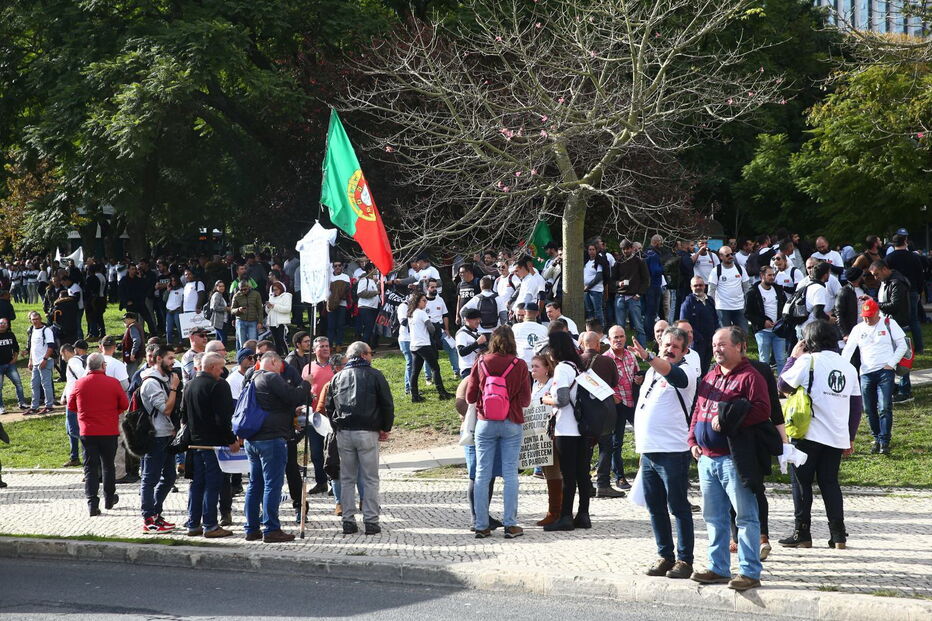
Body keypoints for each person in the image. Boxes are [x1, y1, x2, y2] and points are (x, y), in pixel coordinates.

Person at [688, 326, 771, 591]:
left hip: (733, 459)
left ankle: (749, 572)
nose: (716, 349)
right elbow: (698, 409)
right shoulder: (710, 374)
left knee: (745, 517)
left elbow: (762, 410)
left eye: (722, 344)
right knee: (713, 517)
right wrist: (692, 439)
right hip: (707, 459)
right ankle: (718, 567)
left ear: (739, 346)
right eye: (714, 345)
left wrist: (729, 420)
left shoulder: (750, 376)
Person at [778, 321, 862, 550]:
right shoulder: (848, 366)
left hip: (809, 434)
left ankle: (802, 533)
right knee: (830, 484)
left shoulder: (807, 361)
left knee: (801, 484)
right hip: (836, 436)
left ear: (809, 341)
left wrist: (793, 357)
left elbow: (782, 385)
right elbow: (856, 406)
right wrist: (850, 437)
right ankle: (838, 536)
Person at [628, 326, 698, 579]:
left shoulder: (686, 370)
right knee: (655, 507)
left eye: (675, 347)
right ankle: (665, 556)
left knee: (678, 507)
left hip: (673, 450)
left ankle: (685, 560)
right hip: (649, 451)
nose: (669, 350)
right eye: (666, 345)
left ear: (684, 350)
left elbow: (677, 378)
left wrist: (647, 357)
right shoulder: (653, 373)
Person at [466, 326, 531, 539]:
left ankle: (481, 524)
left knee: (483, 474)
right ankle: (510, 524)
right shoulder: (519, 364)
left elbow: (470, 397)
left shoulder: (481, 361)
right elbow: (525, 400)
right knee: (510, 473)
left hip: (485, 422)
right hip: (511, 420)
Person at [325, 341, 394, 535]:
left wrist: (336, 427)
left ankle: (348, 520)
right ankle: (371, 521)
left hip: (344, 431)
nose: (372, 356)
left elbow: (329, 406)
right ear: (363, 355)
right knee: (370, 478)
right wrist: (385, 428)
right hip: (368, 431)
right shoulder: (375, 375)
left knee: (347, 478)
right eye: (371, 353)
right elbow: (387, 404)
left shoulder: (338, 377)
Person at [245, 351, 312, 543]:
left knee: (254, 484)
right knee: (272, 485)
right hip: (272, 438)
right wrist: (306, 383)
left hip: (253, 438)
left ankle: (251, 528)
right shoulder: (272, 377)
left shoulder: (252, 377)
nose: (281, 369)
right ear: (273, 361)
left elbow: (273, 404)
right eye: (280, 365)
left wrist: (291, 411)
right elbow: (293, 396)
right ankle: (271, 529)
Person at [841, 299, 907, 455]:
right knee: (869, 409)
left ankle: (885, 441)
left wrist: (891, 363)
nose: (866, 319)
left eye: (869, 316)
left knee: (884, 407)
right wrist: (842, 367)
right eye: (864, 316)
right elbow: (848, 350)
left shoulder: (889, 323)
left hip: (885, 371)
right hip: (866, 373)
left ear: (877, 313)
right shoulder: (858, 329)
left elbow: (902, 345)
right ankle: (876, 438)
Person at [183, 352, 237, 538]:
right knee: (212, 485)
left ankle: (193, 523)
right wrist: (231, 440)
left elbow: (184, 416)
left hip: (195, 443)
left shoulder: (189, 385)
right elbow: (222, 418)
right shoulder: (218, 385)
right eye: (221, 367)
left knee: (197, 484)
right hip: (213, 444)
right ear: (213, 367)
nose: (222, 371)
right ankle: (210, 525)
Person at [67, 353, 129, 516]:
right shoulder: (113, 383)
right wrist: (113, 412)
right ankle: (109, 498)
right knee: (108, 465)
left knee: (90, 468)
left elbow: (71, 405)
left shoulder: (80, 383)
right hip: (108, 430)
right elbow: (124, 404)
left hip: (88, 431)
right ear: (103, 366)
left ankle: (92, 503)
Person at [541, 331, 589, 532]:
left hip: (566, 428)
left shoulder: (561, 369)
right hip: (584, 428)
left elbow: (561, 400)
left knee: (567, 475)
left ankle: (566, 516)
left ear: (555, 349)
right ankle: (583, 514)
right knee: (582, 474)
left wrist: (546, 399)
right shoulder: (579, 367)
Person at [139, 346, 181, 533]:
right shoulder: (151, 383)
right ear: (158, 359)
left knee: (170, 477)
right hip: (155, 436)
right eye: (170, 358)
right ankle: (148, 518)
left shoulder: (168, 377)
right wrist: (173, 388)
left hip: (169, 435)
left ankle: (156, 513)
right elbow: (165, 409)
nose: (173, 361)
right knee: (150, 479)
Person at [578, 331, 623, 499]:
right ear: (598, 345)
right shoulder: (607, 361)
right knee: (605, 446)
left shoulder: (576, 362)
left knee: (584, 448)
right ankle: (603, 484)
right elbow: (614, 382)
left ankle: (586, 484)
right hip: (605, 409)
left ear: (582, 344)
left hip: (583, 412)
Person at [868, 259, 913, 404]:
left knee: (902, 359)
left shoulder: (896, 283)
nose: (875, 278)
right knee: (893, 357)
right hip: (890, 324)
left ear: (885, 269)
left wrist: (875, 303)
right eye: (873, 275)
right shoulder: (886, 282)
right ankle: (897, 388)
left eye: (876, 274)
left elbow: (894, 305)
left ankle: (905, 391)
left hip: (899, 325)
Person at [605, 325, 642, 490]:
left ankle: (646, 475)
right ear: (609, 340)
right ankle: (620, 477)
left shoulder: (631, 355)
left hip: (633, 402)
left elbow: (637, 373)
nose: (619, 340)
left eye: (621, 336)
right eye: (615, 337)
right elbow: (599, 384)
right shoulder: (605, 359)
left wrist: (638, 379)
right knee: (616, 442)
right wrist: (612, 397)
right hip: (617, 404)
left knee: (644, 436)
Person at [407, 292, 452, 402]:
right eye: (424, 300)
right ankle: (442, 393)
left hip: (414, 345)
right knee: (435, 368)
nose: (426, 302)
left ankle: (415, 395)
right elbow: (431, 328)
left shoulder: (410, 314)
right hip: (424, 344)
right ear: (418, 302)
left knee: (415, 372)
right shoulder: (422, 313)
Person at [745, 266, 787, 370]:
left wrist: (782, 321)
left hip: (779, 330)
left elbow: (786, 306)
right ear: (762, 276)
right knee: (764, 361)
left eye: (773, 275)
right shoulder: (752, 292)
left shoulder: (778, 289)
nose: (772, 277)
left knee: (781, 359)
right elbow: (748, 313)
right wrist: (763, 322)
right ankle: (764, 384)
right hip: (762, 331)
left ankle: (782, 385)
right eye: (769, 275)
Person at [679, 277, 718, 373]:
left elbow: (715, 318)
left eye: (700, 285)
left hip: (710, 341)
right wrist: (698, 338)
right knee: (696, 369)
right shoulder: (687, 304)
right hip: (696, 343)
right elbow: (683, 324)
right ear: (691, 287)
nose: (698, 287)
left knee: (705, 367)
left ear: (704, 286)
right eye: (695, 285)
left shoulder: (710, 300)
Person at [60, 342, 88, 467]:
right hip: (71, 399)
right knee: (69, 429)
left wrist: (75, 395)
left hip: (75, 401)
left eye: (62, 355)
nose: (62, 358)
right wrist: (64, 395)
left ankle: (87, 451)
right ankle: (74, 457)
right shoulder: (74, 362)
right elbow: (70, 382)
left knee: (74, 429)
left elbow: (82, 377)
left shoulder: (73, 362)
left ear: (66, 352)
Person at [708, 246, 749, 329]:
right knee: (725, 334)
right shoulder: (716, 270)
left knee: (743, 334)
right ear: (721, 257)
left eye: (732, 254)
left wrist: (747, 304)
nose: (731, 256)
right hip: (722, 308)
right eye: (727, 255)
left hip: (739, 307)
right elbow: (711, 291)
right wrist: (711, 307)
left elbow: (746, 288)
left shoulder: (740, 268)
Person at [25, 311, 56, 415]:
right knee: (34, 384)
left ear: (41, 318)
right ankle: (34, 407)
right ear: (30, 320)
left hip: (45, 361)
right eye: (33, 319)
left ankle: (49, 406)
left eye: (37, 319)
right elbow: (32, 348)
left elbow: (51, 347)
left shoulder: (46, 330)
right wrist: (30, 360)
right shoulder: (32, 330)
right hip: (35, 362)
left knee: (46, 385)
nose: (35, 321)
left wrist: (45, 359)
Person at [0, 318, 28, 413]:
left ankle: (22, 403)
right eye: (0, 323)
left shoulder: (10, 334)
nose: (2, 324)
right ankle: (1, 407)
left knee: (18, 384)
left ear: (7, 325)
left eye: (4, 323)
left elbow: (16, 347)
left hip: (10, 364)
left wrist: (15, 358)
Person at [231, 278, 264, 351]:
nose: (243, 291)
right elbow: (232, 310)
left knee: (253, 342)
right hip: (240, 321)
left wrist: (260, 322)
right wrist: (238, 310)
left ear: (249, 287)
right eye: (241, 290)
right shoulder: (236, 295)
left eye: (245, 289)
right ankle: (242, 358)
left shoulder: (256, 294)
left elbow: (260, 309)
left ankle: (254, 357)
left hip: (253, 321)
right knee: (242, 343)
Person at [512, 302, 549, 368]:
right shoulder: (544, 329)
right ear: (537, 313)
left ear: (525, 312)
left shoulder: (515, 327)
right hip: (538, 364)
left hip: (520, 363)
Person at [326, 260, 352, 350]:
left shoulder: (346, 277)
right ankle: (329, 345)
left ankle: (338, 344)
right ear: (333, 267)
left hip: (342, 304)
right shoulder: (329, 277)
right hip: (331, 304)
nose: (337, 267)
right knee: (331, 325)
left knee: (340, 325)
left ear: (342, 266)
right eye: (335, 266)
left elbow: (347, 290)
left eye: (339, 265)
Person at [455, 308, 487, 378]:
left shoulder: (478, 332)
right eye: (475, 319)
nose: (478, 321)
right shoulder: (461, 334)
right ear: (466, 319)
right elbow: (462, 352)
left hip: (480, 366)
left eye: (479, 319)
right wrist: (477, 343)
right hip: (468, 369)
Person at [265, 281, 292, 356]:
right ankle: (279, 355)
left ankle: (287, 354)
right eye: (274, 290)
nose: (275, 291)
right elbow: (268, 311)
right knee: (275, 340)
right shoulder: (272, 297)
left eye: (277, 289)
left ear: (281, 289)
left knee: (281, 339)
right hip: (272, 322)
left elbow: (287, 309)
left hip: (281, 322)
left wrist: (274, 306)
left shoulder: (286, 296)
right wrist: (268, 307)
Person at [583, 242, 606, 327]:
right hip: (586, 290)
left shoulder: (599, 261)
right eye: (590, 249)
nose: (591, 251)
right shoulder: (587, 262)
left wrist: (588, 287)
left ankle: (600, 328)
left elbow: (599, 277)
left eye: (593, 249)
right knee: (589, 311)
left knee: (598, 311)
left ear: (596, 250)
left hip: (596, 290)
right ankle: (591, 328)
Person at [121, 312, 145, 378]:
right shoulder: (136, 325)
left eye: (125, 319)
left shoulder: (133, 327)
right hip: (137, 355)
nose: (124, 321)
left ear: (130, 319)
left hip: (134, 356)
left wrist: (133, 353)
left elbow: (137, 341)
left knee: (129, 376)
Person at [164, 275, 184, 345]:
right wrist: (167, 291)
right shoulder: (170, 290)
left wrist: (181, 309)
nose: (173, 282)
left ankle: (181, 341)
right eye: (171, 281)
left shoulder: (182, 289)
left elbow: (183, 301)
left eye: (174, 280)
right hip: (169, 311)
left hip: (177, 310)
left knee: (179, 327)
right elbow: (164, 299)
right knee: (168, 329)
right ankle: (169, 342)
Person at [208, 280, 229, 344]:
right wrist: (226, 308)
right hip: (218, 320)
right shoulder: (217, 295)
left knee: (218, 339)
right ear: (216, 287)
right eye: (220, 286)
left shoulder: (220, 295)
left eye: (223, 286)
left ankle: (216, 352)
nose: (222, 288)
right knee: (223, 339)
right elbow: (215, 307)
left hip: (222, 320)